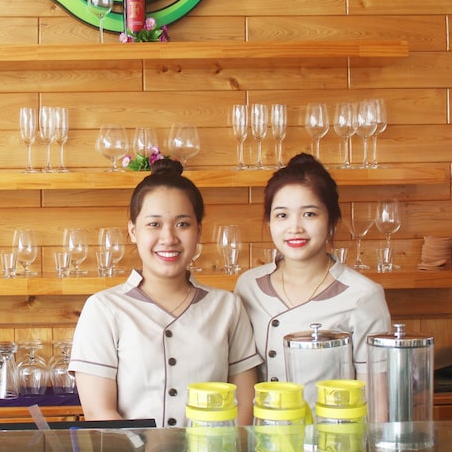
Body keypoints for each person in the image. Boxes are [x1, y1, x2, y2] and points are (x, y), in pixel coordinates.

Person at [69, 158, 262, 427]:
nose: (169, 238)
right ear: (133, 231)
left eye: (182, 224)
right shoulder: (104, 309)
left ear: (199, 231)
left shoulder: (227, 307)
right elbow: (99, 413)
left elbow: (244, 409)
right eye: (154, 224)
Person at [234, 152, 390, 399]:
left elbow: (375, 397)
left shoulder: (363, 295)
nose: (295, 227)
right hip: (261, 424)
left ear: (331, 221)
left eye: (309, 214)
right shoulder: (249, 286)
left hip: (332, 425)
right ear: (269, 222)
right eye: (282, 215)